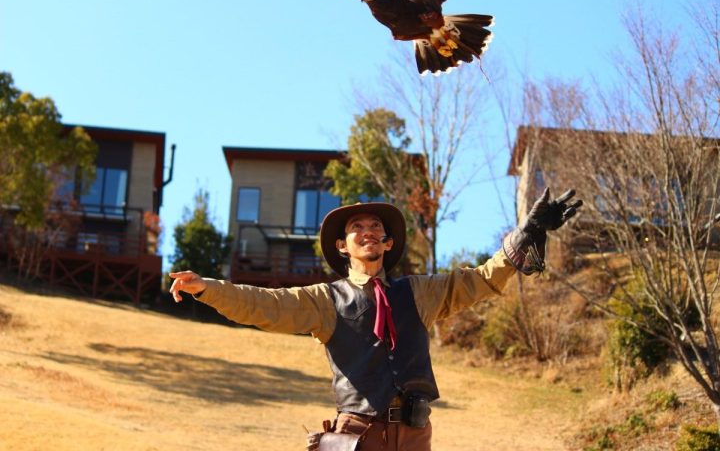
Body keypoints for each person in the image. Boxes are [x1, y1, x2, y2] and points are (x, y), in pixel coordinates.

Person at [169, 188, 582, 451]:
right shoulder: (324, 300)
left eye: (376, 227)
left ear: (387, 242)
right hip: (357, 438)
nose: (368, 231)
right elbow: (263, 304)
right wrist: (207, 288)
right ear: (342, 246)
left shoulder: (419, 293)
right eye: (356, 227)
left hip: (416, 435)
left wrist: (524, 234)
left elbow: (481, 279)